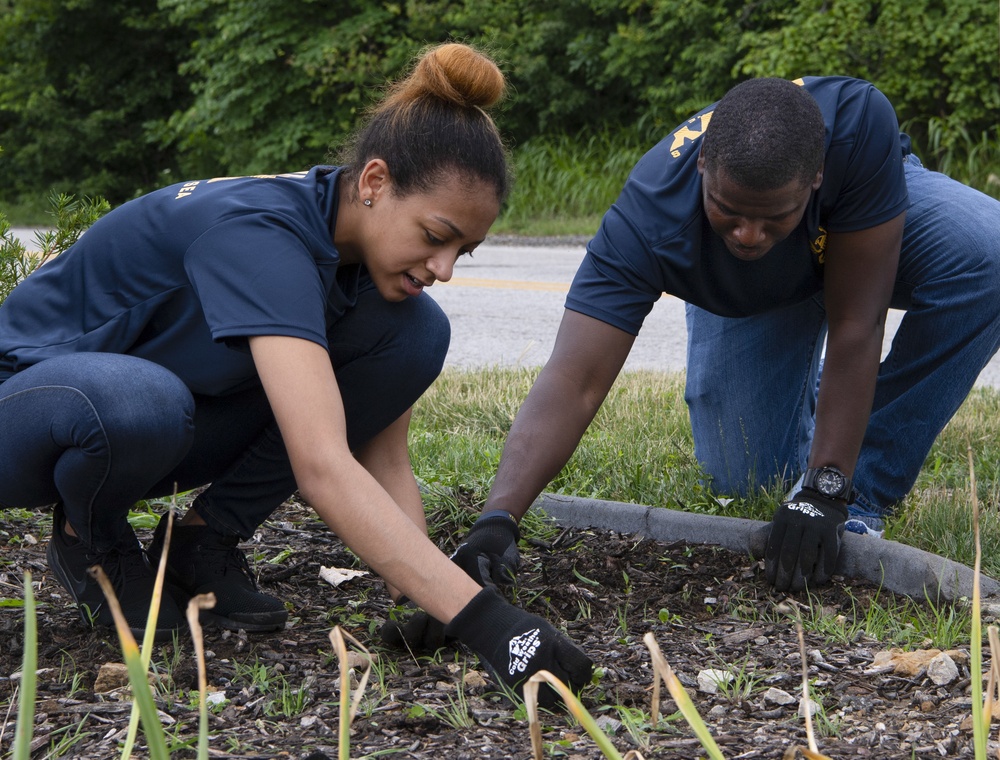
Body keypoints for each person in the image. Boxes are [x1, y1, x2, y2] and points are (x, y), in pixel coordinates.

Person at [0, 42, 592, 704]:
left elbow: (380, 454)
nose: (445, 267)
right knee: (143, 402)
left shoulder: (349, 254)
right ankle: (91, 535)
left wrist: (426, 594)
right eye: (435, 235)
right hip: (27, 408)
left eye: (464, 250)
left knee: (414, 333)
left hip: (153, 415)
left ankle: (202, 546)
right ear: (373, 183)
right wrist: (493, 626)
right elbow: (321, 465)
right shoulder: (264, 238)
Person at [434, 75, 1000, 599]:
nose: (749, 233)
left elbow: (860, 322)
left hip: (848, 233)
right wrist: (497, 520)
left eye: (772, 217)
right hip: (749, 295)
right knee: (748, 474)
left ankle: (863, 486)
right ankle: (828, 414)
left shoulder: (857, 124)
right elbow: (573, 380)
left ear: (816, 178)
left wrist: (828, 488)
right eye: (728, 212)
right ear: (703, 165)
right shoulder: (646, 220)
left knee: (989, 256)